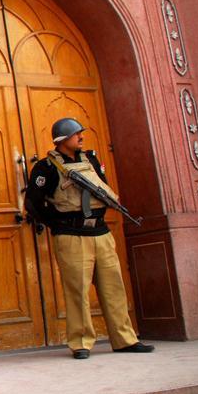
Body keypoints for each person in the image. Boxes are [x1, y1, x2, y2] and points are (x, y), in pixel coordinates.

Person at [25, 117, 154, 359]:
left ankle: (125, 339)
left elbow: (102, 190)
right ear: (63, 140)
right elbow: (33, 204)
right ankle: (81, 342)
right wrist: (58, 224)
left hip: (101, 232)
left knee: (114, 288)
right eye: (76, 134)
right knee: (77, 291)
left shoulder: (91, 160)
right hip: (71, 235)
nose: (82, 137)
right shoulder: (46, 168)